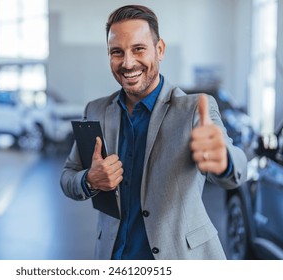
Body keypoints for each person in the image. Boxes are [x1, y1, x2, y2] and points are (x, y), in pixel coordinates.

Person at [60, 4, 247, 260]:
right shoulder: (95, 111)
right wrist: (90, 180)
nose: (127, 63)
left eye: (138, 49)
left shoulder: (193, 110)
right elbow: (68, 176)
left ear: (159, 50)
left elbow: (237, 171)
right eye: (117, 52)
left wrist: (223, 160)